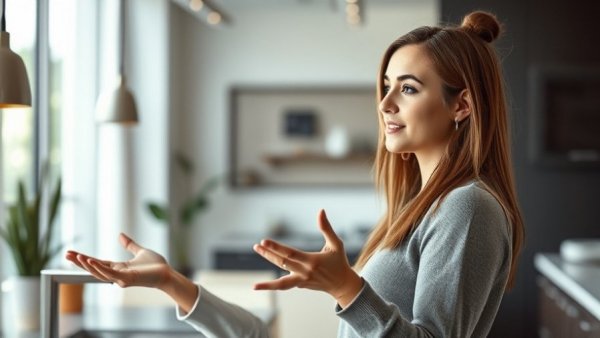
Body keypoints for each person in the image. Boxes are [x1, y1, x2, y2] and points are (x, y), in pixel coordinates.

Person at [66, 10, 524, 338]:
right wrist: (172, 283)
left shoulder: (468, 205)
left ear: (462, 104)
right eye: (386, 87)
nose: (385, 105)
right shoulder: (419, 208)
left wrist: (347, 286)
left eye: (408, 88)